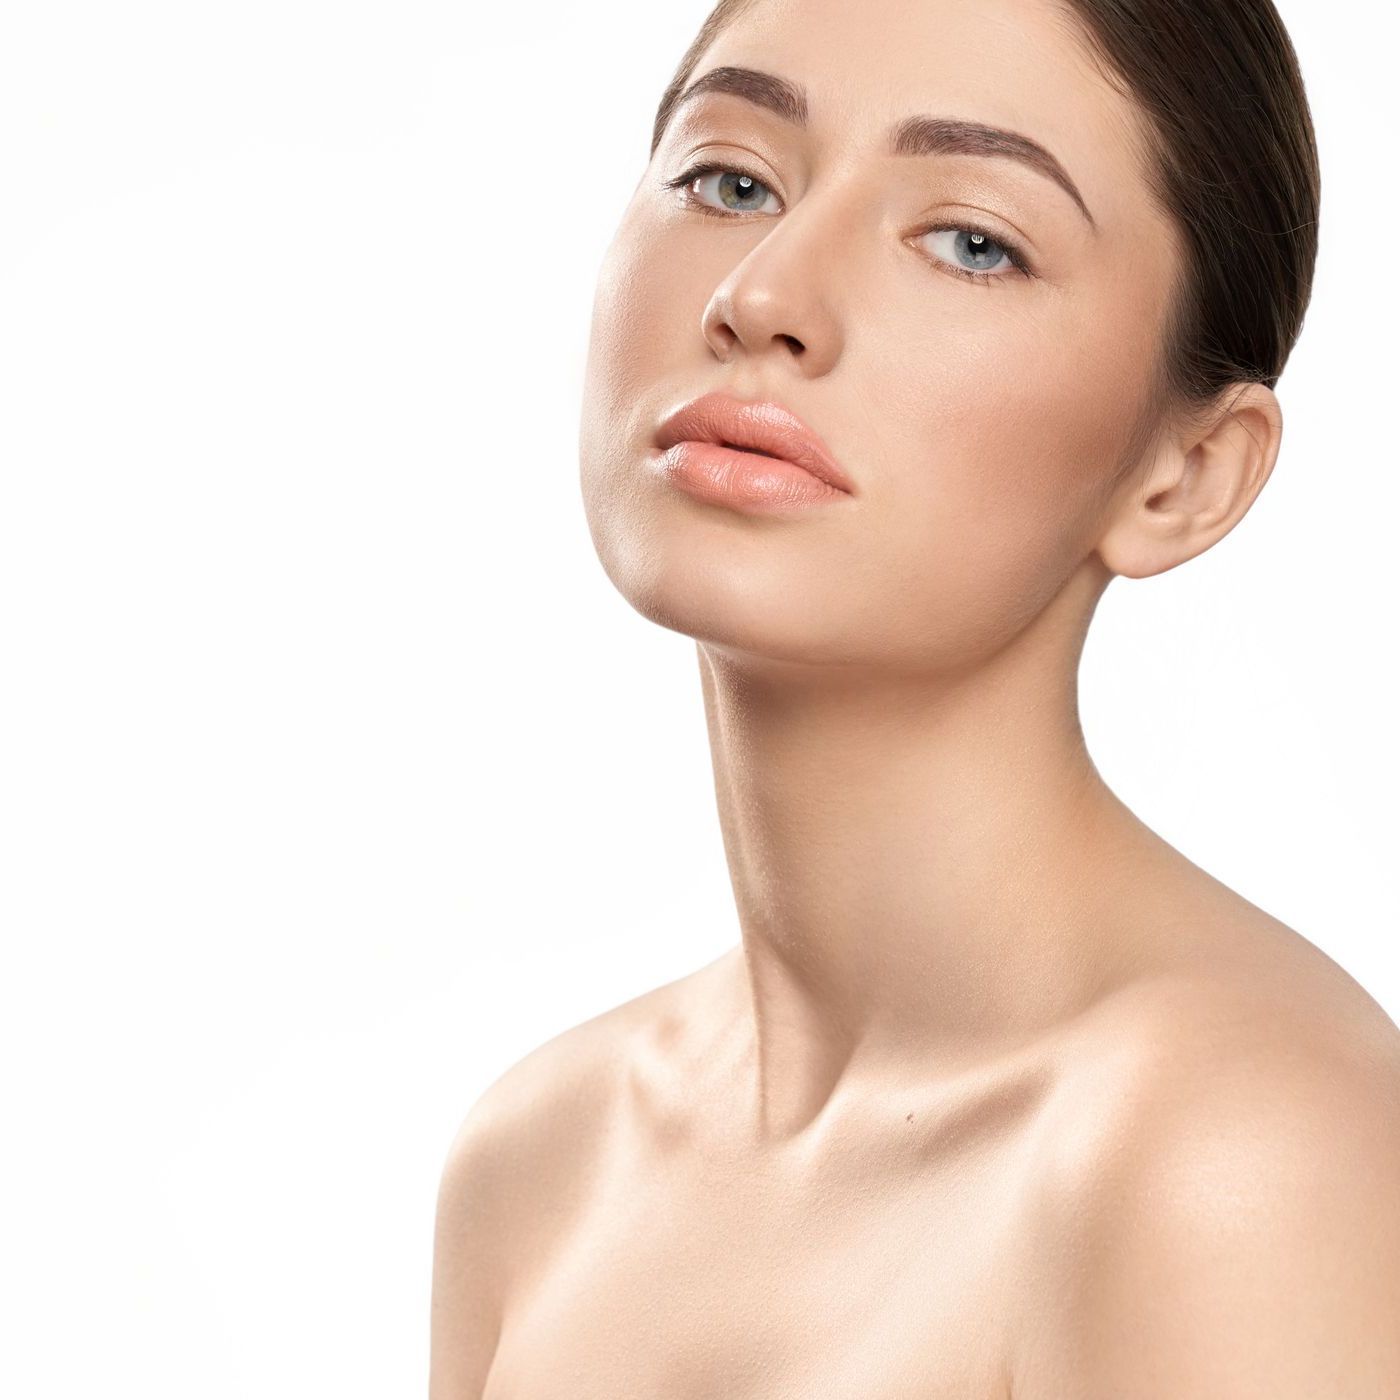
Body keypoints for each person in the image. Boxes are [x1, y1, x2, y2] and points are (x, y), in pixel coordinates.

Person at [430, 0, 1400, 1394]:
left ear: (1187, 476)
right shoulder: (536, 1170)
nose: (762, 295)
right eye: (730, 178)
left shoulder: (1234, 1157)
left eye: (972, 241)